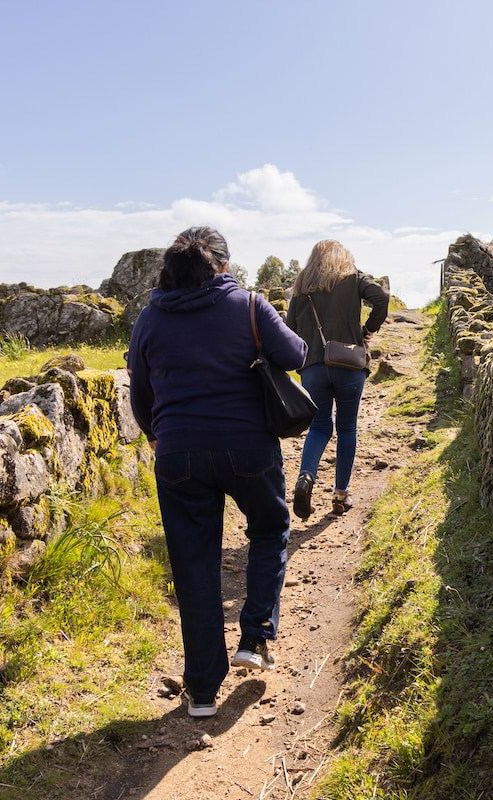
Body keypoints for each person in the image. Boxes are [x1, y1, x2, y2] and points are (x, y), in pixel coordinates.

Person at [127, 226, 307, 718]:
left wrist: (157, 435)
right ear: (222, 265)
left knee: (194, 565)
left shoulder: (149, 318)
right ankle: (254, 636)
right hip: (249, 447)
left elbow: (139, 392)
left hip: (179, 453)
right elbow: (296, 356)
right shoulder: (249, 305)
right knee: (271, 530)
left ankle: (202, 690)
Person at [285, 240, 389, 519]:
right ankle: (341, 495)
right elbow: (381, 297)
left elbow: (288, 329)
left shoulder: (302, 286)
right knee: (347, 429)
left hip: (312, 368)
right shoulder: (354, 278)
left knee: (318, 427)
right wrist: (368, 329)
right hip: (349, 365)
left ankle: (305, 477)